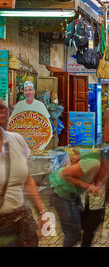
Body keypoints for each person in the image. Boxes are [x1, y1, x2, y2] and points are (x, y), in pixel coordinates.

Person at [49, 149, 109, 247]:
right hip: (59, 190)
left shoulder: (107, 169)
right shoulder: (94, 163)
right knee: (73, 234)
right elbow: (63, 174)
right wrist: (87, 186)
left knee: (81, 227)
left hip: (73, 193)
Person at [0, 98, 47, 247]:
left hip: (22, 224)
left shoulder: (16, 140)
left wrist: (42, 212)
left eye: (3, 107)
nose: (3, 111)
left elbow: (28, 181)